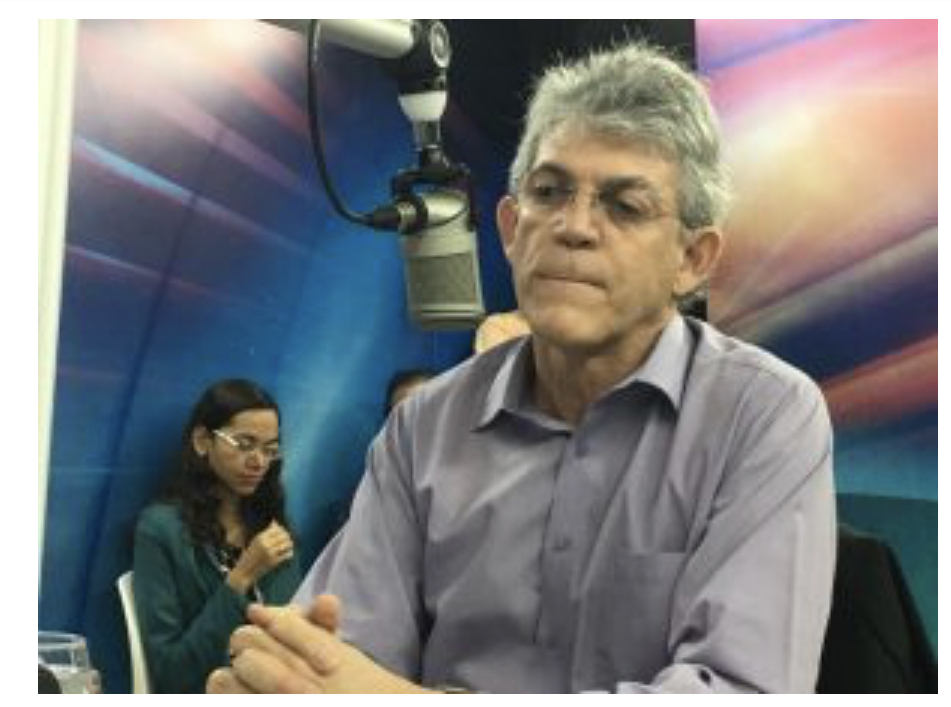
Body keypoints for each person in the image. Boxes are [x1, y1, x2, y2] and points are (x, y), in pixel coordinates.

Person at [209, 40, 836, 694]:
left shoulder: (763, 415)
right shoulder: (422, 430)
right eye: (550, 192)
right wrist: (279, 677)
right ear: (510, 229)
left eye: (624, 206)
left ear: (692, 260)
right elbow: (337, 660)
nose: (574, 227)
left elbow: (737, 691)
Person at [133, 378, 300, 693]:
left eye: (270, 449)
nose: (258, 461)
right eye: (244, 444)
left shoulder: (271, 527)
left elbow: (293, 640)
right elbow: (172, 675)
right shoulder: (161, 529)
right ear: (202, 441)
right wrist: (241, 578)